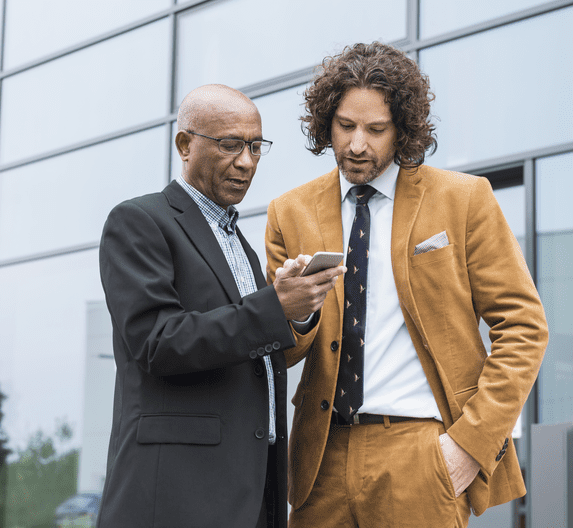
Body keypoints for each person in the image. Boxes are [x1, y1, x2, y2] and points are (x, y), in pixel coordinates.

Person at [265, 42, 548, 527]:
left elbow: (524, 327)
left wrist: (469, 446)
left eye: (376, 130)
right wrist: (295, 312)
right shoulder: (288, 212)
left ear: (402, 130)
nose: (358, 145)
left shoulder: (464, 200)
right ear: (324, 122)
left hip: (422, 453)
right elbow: (280, 352)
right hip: (320, 460)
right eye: (345, 126)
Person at [96, 84, 341, 528]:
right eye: (230, 145)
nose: (246, 162)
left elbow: (245, 349)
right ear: (185, 145)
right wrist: (273, 307)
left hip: (250, 488)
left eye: (255, 147)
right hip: (177, 493)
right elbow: (157, 343)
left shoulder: (240, 245)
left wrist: (295, 309)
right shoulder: (138, 222)